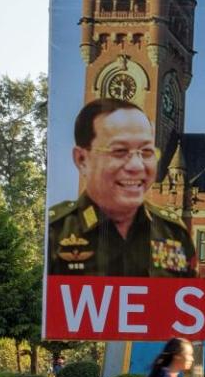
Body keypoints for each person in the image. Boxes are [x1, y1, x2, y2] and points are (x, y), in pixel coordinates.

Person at [47, 98, 196, 278]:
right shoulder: (55, 231)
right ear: (82, 159)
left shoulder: (174, 232)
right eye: (119, 151)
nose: (136, 166)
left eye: (146, 152)